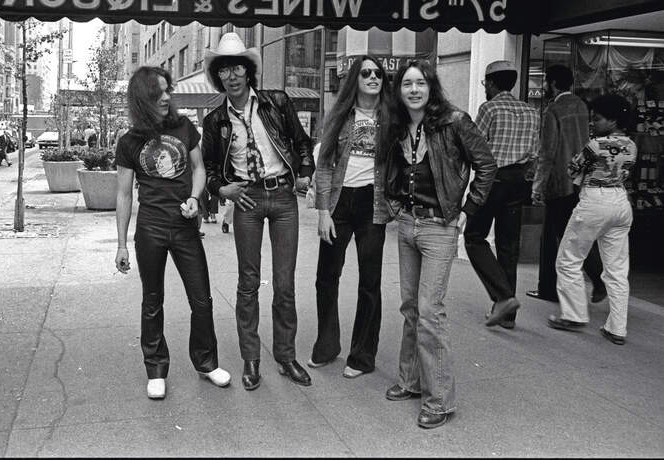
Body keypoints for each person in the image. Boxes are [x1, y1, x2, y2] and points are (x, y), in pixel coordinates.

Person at [381, 60, 496, 429]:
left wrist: (469, 210)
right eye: (407, 84)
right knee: (411, 308)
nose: (414, 90)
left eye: (420, 83)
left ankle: (440, 400)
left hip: (439, 227)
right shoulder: (398, 124)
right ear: (399, 90)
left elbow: (486, 165)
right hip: (408, 224)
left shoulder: (454, 121)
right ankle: (411, 380)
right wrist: (394, 205)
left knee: (430, 312)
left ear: (431, 87)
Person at [201, 33, 314, 390]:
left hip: (282, 197)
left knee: (284, 284)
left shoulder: (276, 102)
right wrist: (222, 189)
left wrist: (305, 173)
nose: (232, 76)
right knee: (248, 283)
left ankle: (286, 356)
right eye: (224, 70)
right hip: (247, 200)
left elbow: (301, 142)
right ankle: (251, 359)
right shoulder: (215, 120)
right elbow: (209, 169)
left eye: (238, 68)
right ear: (218, 77)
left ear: (248, 71)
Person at [114, 66, 230, 400]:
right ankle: (156, 370)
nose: (166, 97)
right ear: (143, 99)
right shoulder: (129, 142)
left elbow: (199, 169)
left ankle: (207, 363)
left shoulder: (183, 127)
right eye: (158, 93)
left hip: (185, 226)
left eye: (168, 90)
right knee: (152, 301)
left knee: (201, 299)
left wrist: (194, 198)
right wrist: (121, 244)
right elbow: (123, 194)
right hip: (150, 228)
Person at [309, 56, 393, 379]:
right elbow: (324, 164)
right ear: (355, 79)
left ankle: (362, 357)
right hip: (340, 201)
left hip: (373, 203)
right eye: (366, 73)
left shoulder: (391, 117)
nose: (373, 77)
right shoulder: (340, 115)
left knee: (370, 282)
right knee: (326, 276)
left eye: (378, 73)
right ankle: (327, 345)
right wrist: (323, 211)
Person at [547, 94, 636, 345]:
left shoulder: (595, 145)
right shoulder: (632, 145)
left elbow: (573, 169)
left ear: (613, 120)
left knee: (569, 259)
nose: (592, 123)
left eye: (597, 119)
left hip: (594, 201)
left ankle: (573, 315)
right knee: (617, 268)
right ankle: (617, 328)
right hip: (621, 201)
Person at [464, 60, 540, 329]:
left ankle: (504, 297)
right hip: (518, 181)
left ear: (492, 83)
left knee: (474, 237)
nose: (486, 88)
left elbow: (473, 145)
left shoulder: (489, 108)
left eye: (486, 83)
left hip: (493, 180)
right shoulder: (531, 111)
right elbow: (535, 153)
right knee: (508, 246)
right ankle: (508, 317)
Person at [529, 65, 606, 303]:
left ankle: (581, 283)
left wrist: (537, 185)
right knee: (574, 232)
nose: (544, 85)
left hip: (559, 181)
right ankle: (552, 286)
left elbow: (547, 152)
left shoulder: (553, 110)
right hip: (579, 180)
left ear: (553, 83)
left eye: (546, 81)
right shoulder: (581, 105)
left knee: (559, 236)